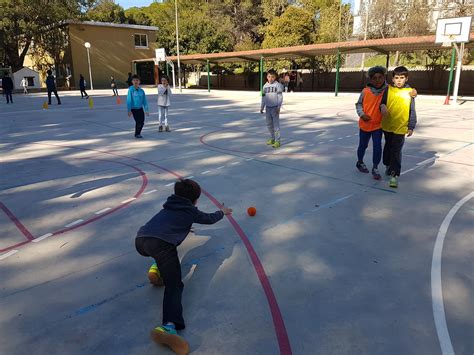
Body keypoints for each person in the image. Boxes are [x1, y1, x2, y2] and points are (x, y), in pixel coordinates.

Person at [135, 179, 232, 354]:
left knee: (164, 251)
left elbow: (169, 224)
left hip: (141, 240)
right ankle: (168, 327)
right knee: (175, 285)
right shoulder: (190, 212)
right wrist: (222, 212)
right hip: (162, 245)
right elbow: (208, 219)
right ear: (194, 200)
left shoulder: (168, 206)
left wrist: (186, 227)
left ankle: (156, 270)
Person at [380, 66, 417, 188]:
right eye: (397, 78)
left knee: (396, 151)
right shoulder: (388, 89)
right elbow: (382, 103)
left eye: (402, 78)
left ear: (406, 78)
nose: (399, 80)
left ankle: (394, 175)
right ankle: (387, 164)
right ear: (393, 79)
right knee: (388, 148)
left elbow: (412, 110)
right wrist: (382, 107)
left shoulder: (410, 92)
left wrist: (411, 126)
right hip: (388, 125)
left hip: (401, 127)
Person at [355, 66, 387, 180]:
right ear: (371, 79)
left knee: (377, 147)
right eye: (374, 78)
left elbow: (402, 89)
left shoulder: (387, 90)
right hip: (365, 124)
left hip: (378, 125)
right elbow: (358, 104)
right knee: (363, 145)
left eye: (380, 77)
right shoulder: (365, 91)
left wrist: (412, 91)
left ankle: (375, 167)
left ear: (384, 77)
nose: (377, 80)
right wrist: (362, 114)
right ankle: (360, 162)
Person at [260, 69, 284, 149]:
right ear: (267, 77)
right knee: (269, 125)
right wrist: (262, 107)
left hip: (275, 108)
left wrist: (279, 106)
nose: (270, 78)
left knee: (276, 125)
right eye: (269, 77)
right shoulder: (264, 86)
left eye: (272, 77)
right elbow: (263, 98)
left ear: (275, 77)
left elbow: (280, 96)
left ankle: (278, 141)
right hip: (268, 108)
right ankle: (272, 138)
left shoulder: (278, 85)